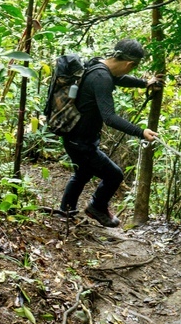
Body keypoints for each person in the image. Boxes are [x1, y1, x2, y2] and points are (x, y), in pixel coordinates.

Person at [59, 39, 162, 227]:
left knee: (82, 174)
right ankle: (96, 207)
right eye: (132, 69)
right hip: (81, 142)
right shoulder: (102, 78)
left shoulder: (97, 65)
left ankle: (66, 212)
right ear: (130, 64)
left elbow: (119, 78)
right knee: (114, 175)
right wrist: (141, 132)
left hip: (73, 136)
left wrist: (144, 83)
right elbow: (109, 117)